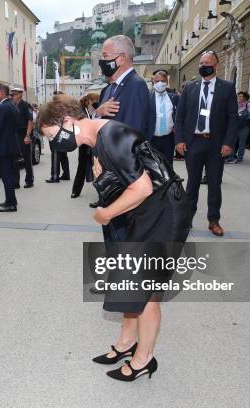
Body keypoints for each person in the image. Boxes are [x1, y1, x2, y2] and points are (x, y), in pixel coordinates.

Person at [37, 95, 191, 382]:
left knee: (146, 291)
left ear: (67, 122)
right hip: (146, 211)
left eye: (50, 135)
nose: (52, 143)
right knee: (130, 282)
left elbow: (142, 188)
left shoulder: (110, 136)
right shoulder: (99, 138)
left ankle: (143, 359)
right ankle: (126, 343)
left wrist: (105, 213)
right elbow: (123, 181)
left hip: (163, 211)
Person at [174, 50, 238, 237]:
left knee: (214, 184)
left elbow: (233, 117)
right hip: (193, 143)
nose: (203, 66)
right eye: (201, 63)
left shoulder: (227, 88)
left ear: (216, 65)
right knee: (192, 184)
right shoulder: (190, 87)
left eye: (207, 63)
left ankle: (214, 220)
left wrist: (228, 143)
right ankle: (187, 219)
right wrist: (179, 140)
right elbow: (180, 117)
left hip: (216, 145)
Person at [94, 35, 152, 139]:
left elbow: (132, 136)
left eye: (105, 55)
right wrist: (97, 113)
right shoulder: (108, 89)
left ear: (121, 59)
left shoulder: (136, 85)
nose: (102, 61)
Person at [0, 83, 20, 212]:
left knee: (6, 176)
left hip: (3, 148)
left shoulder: (2, 107)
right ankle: (11, 200)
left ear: (2, 92)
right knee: (10, 175)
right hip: (12, 146)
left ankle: (11, 204)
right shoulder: (13, 106)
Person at [71, 93, 98, 198]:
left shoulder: (90, 110)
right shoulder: (81, 111)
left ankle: (101, 192)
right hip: (84, 143)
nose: (96, 104)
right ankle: (76, 191)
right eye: (95, 101)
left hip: (94, 142)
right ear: (90, 101)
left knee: (97, 167)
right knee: (82, 166)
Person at [148, 70, 178, 164]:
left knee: (168, 167)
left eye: (163, 81)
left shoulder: (174, 98)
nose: (160, 83)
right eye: (157, 81)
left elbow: (179, 115)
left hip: (168, 140)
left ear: (167, 82)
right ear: (153, 82)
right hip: (152, 139)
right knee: (153, 169)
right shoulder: (147, 98)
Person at [11, 87, 34, 188]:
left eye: (14, 94)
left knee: (26, 159)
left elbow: (30, 121)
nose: (12, 96)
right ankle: (16, 181)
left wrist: (27, 136)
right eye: (11, 95)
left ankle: (29, 180)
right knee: (15, 159)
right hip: (14, 134)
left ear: (20, 95)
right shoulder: (12, 105)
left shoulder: (25, 105)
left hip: (24, 133)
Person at [227, 91, 250, 164]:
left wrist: (239, 116)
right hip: (234, 126)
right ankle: (231, 158)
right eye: (238, 96)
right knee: (232, 142)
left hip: (244, 127)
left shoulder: (248, 105)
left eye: (241, 96)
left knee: (242, 143)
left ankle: (239, 158)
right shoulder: (235, 105)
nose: (239, 97)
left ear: (245, 97)